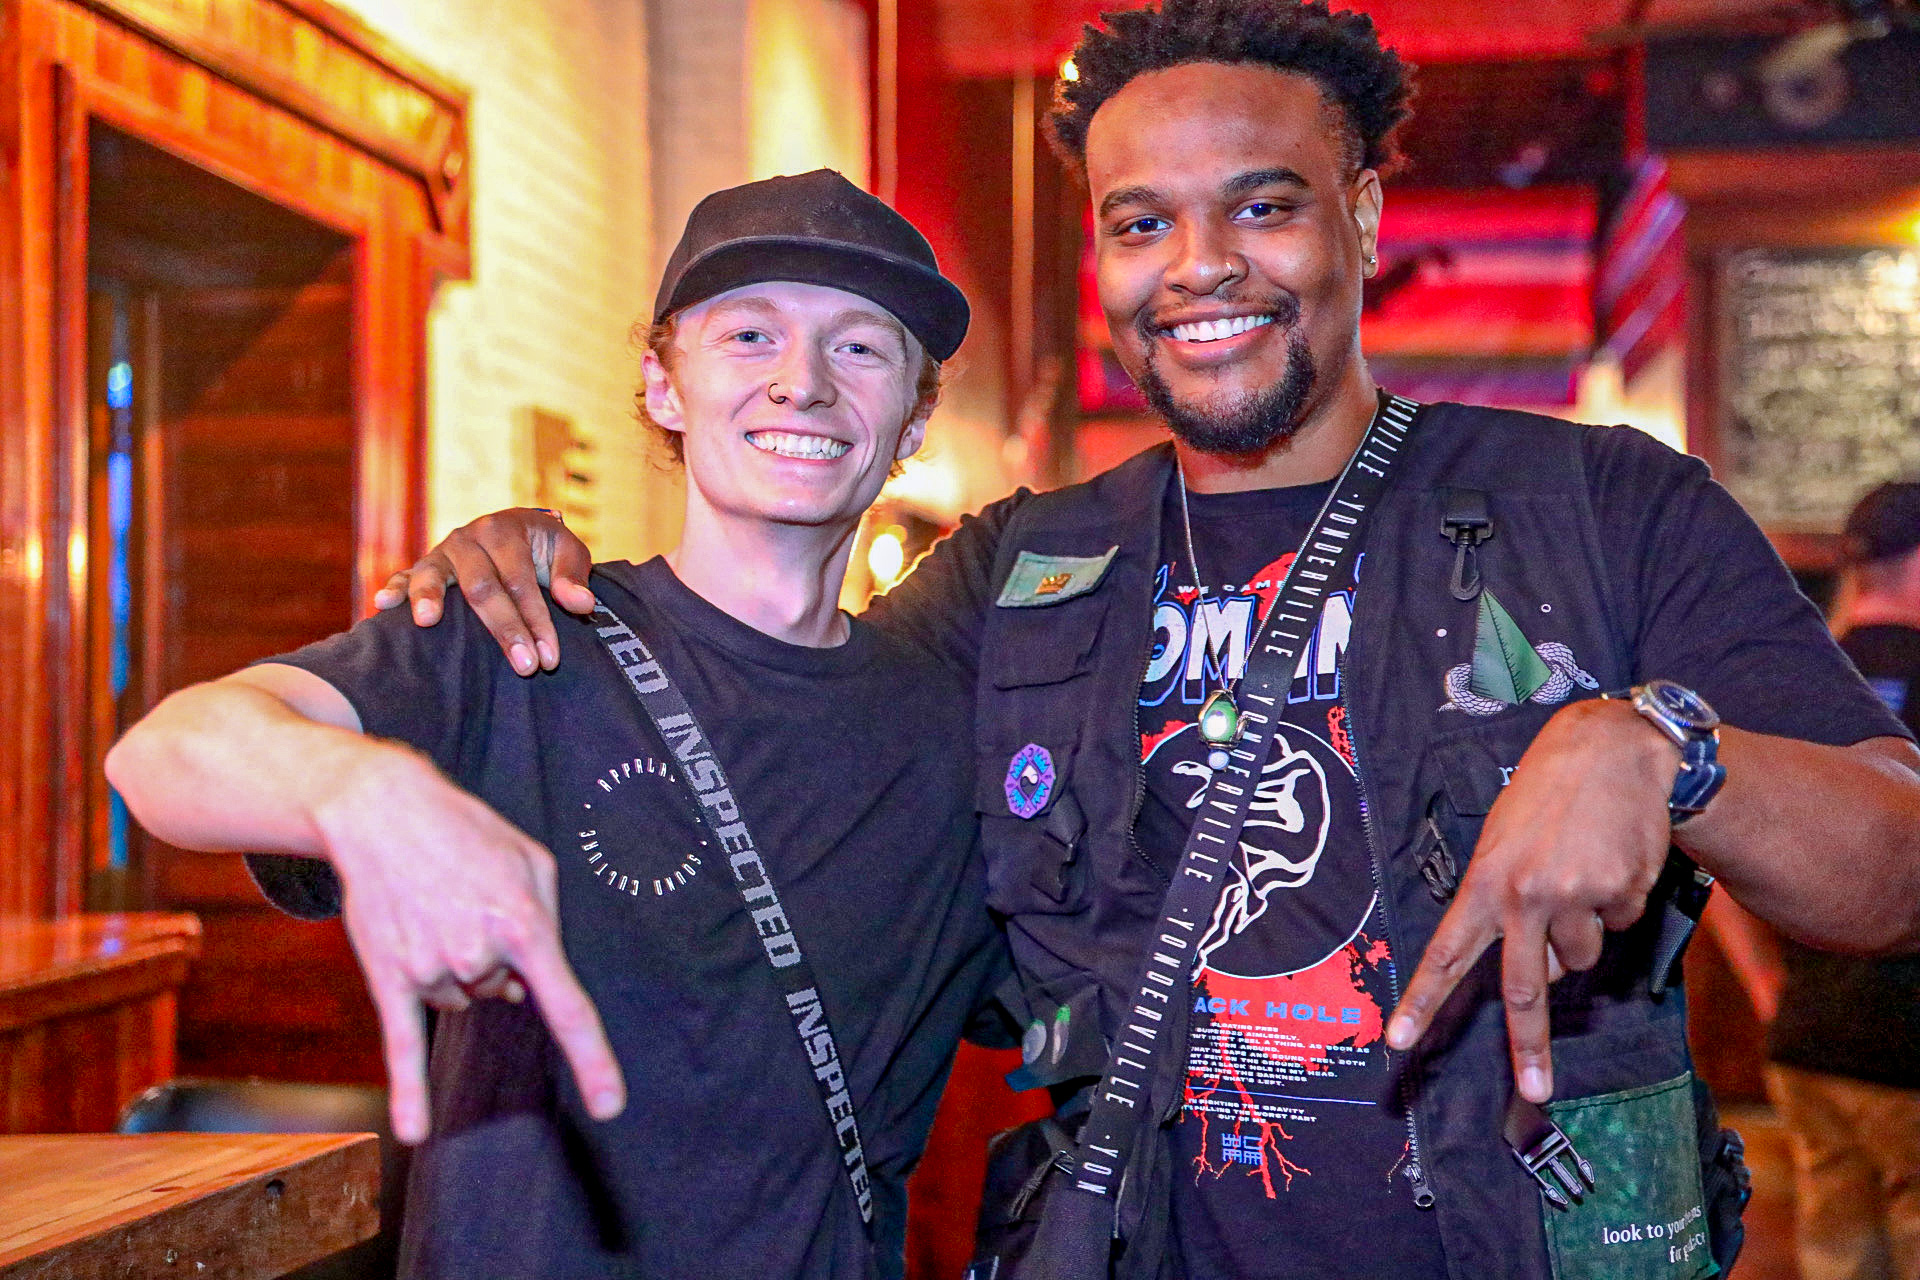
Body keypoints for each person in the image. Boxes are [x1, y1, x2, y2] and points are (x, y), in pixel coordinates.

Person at [380, 2, 1920, 1276]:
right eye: (1141, 222)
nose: (1199, 263)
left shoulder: (1600, 504)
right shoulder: (1015, 570)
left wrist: (1659, 748)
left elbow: (1895, 867)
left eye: (1263, 204)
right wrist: (538, 582)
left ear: (1361, 215)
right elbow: (768, 708)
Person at [106, 169, 1008, 1280]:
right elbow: (164, 753)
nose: (802, 381)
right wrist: (360, 786)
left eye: (860, 348)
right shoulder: (520, 634)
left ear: (914, 415)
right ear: (664, 384)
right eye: (749, 335)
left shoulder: (952, 728)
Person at [1711, 480, 1920, 1280]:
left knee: (1835, 1252)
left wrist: (1765, 982)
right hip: (1908, 1047)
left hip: (1808, 1036)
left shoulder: (1793, 687)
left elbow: (1711, 847)